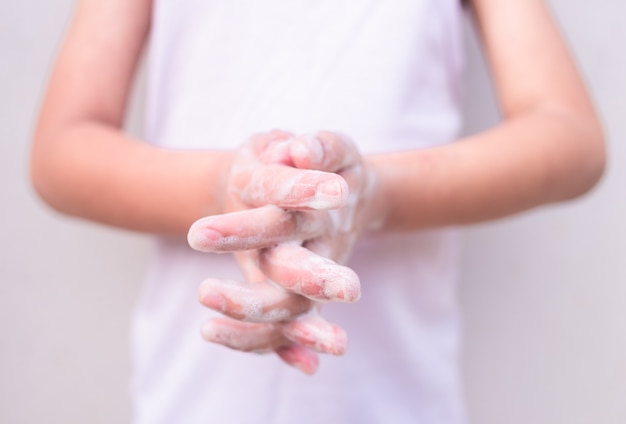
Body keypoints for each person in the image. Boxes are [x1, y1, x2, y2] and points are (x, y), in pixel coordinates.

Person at [30, 0, 605, 422]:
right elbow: (62, 149)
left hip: (400, 400)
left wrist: (374, 196)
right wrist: (230, 194)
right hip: (191, 399)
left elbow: (570, 137)